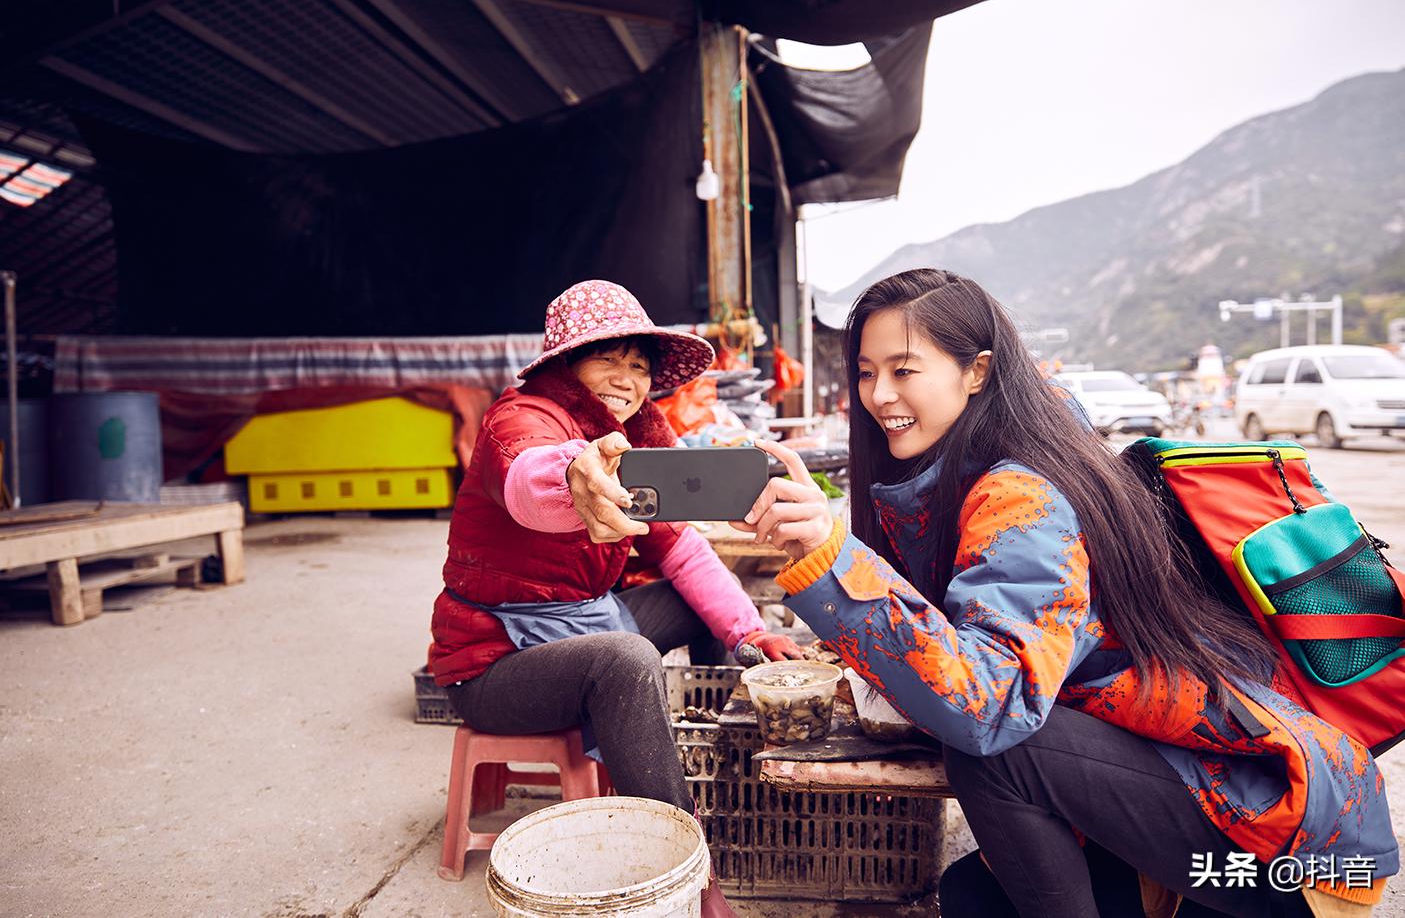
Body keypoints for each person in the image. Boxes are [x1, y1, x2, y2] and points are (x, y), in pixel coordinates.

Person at [735, 268, 1396, 917]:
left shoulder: (1022, 495)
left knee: (994, 754)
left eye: (904, 369)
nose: (879, 393)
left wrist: (829, 556)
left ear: (977, 371)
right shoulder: (966, 473)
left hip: (1286, 840)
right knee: (973, 897)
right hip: (1194, 788)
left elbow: (986, 704)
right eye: (865, 371)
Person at [428, 279, 800, 916]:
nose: (626, 379)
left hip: (586, 619)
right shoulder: (519, 420)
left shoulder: (639, 444)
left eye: (639, 365)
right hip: (493, 666)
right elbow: (531, 476)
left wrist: (750, 633)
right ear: (565, 364)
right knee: (626, 660)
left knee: (706, 607)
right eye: (608, 357)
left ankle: (724, 755)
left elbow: (682, 551)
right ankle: (688, 875)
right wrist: (578, 475)